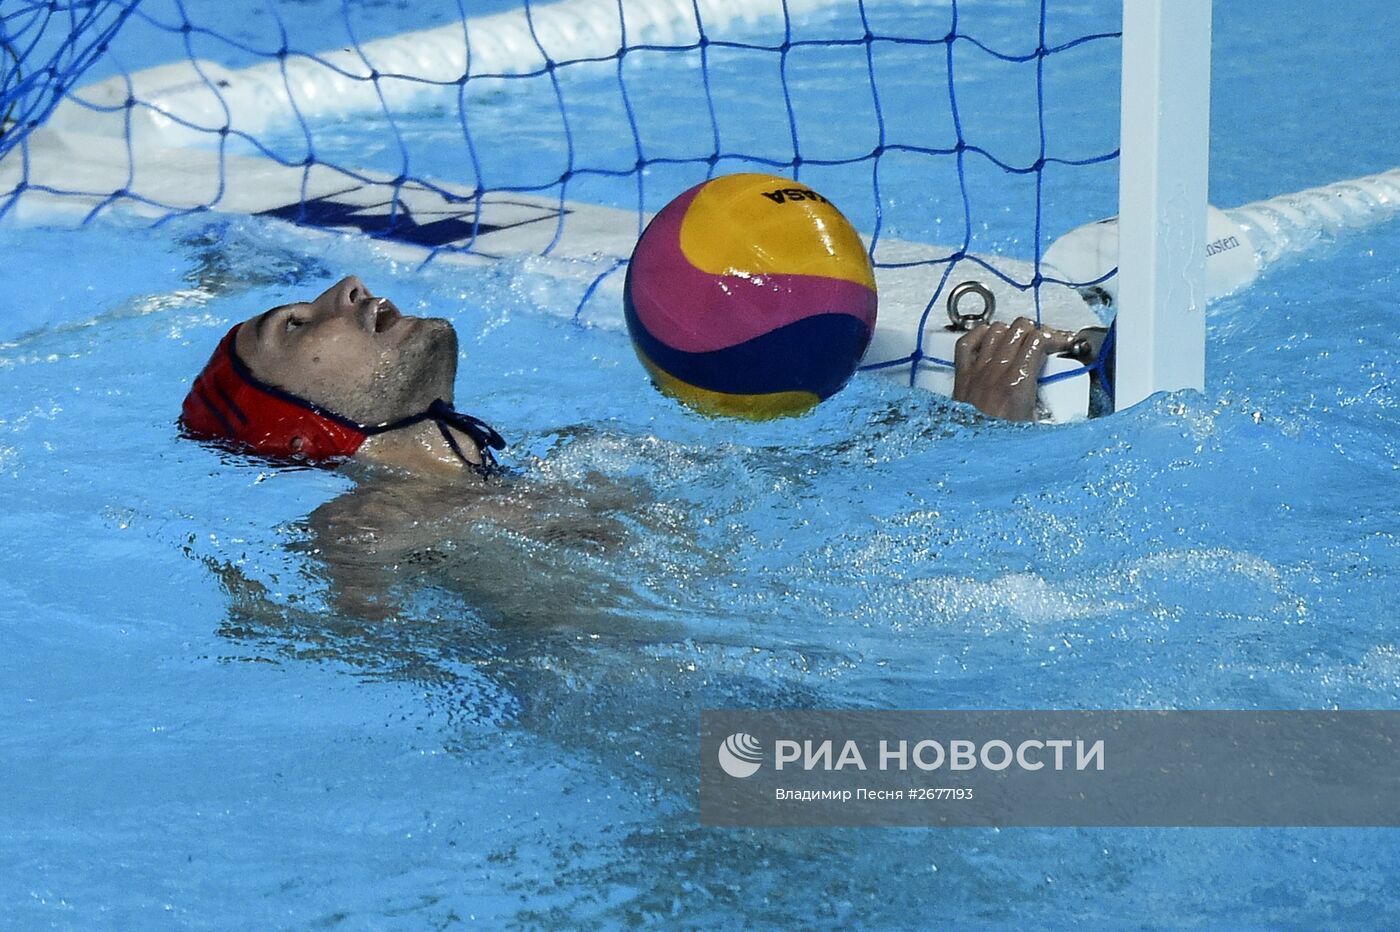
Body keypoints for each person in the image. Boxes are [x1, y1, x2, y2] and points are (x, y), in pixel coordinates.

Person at [180, 275, 1102, 476]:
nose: (345, 290)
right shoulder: (366, 532)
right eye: (295, 328)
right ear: (295, 426)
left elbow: (814, 484)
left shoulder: (572, 459)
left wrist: (972, 423)